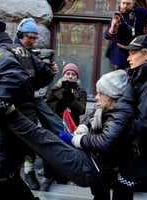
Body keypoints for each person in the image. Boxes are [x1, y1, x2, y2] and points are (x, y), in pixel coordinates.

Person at [1, 69, 134, 199]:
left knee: (46, 139)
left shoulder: (121, 114)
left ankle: (12, 115)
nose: (97, 97)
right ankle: (36, 98)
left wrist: (79, 139)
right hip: (89, 157)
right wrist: (83, 126)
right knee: (55, 123)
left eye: (100, 93)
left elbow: (105, 141)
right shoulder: (108, 105)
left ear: (111, 95)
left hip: (90, 169)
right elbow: (91, 115)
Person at [0, 15, 59, 199]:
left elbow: (13, 75)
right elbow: (41, 78)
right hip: (25, 123)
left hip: (10, 124)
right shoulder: (23, 51)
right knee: (9, 175)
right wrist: (49, 72)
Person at [111, 35, 147, 200]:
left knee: (123, 191)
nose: (128, 58)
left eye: (133, 53)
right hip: (125, 147)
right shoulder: (134, 75)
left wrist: (115, 136)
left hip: (137, 149)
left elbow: (144, 120)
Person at [13, 17, 59, 190]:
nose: (32, 41)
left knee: (30, 141)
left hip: (31, 105)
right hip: (13, 104)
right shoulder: (10, 52)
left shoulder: (33, 54)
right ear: (20, 35)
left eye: (34, 38)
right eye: (29, 37)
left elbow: (39, 82)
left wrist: (50, 73)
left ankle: (29, 171)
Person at [43, 62, 87, 191]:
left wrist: (72, 98)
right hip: (56, 123)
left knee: (68, 152)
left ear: (77, 78)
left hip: (72, 126)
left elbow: (82, 109)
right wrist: (63, 96)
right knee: (51, 150)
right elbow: (48, 107)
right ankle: (48, 177)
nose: (70, 76)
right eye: (67, 73)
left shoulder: (81, 91)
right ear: (63, 76)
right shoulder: (55, 89)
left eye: (73, 74)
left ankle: (64, 177)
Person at [104, 0, 147, 70]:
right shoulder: (117, 16)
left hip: (136, 50)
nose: (125, 6)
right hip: (120, 53)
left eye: (128, 3)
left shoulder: (139, 12)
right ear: (120, 3)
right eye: (123, 3)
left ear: (133, 3)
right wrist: (113, 29)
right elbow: (107, 35)